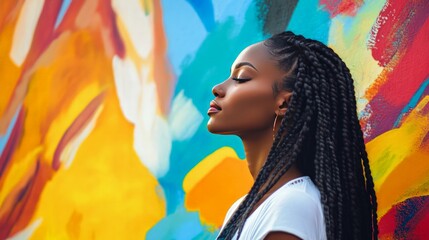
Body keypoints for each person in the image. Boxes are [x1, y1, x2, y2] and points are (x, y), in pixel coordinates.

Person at [207, 31, 378, 240]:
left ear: (284, 103)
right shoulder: (240, 210)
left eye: (241, 78)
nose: (218, 88)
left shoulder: (292, 204)